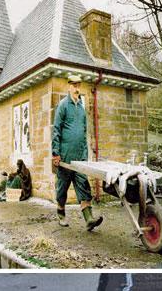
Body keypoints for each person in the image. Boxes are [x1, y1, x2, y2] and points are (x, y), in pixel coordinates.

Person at [52, 74, 103, 231]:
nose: (76, 88)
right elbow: (56, 130)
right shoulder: (63, 105)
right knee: (63, 186)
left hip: (80, 155)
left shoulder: (81, 108)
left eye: (78, 85)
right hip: (65, 154)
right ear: (69, 86)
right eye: (74, 85)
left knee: (83, 184)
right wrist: (55, 153)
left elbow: (84, 131)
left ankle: (89, 219)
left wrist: (85, 154)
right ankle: (61, 213)